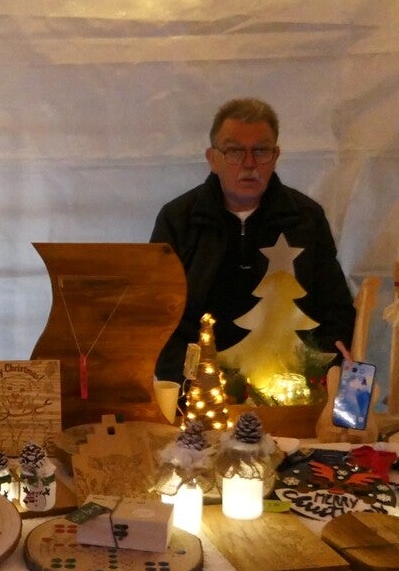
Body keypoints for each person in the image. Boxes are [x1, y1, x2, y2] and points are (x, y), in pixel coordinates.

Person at [150, 97, 355, 383]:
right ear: (213, 159)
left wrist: (315, 376)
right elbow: (155, 316)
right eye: (234, 151)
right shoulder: (178, 220)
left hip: (290, 387)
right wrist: (190, 379)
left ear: (276, 155)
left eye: (261, 150)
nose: (249, 163)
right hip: (197, 387)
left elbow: (336, 310)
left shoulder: (306, 219)